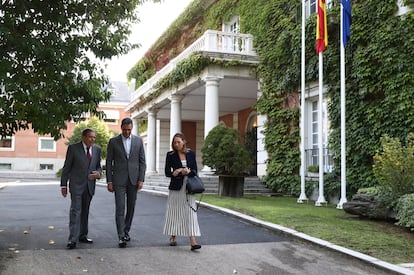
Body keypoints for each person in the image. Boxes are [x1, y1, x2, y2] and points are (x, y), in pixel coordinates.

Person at [106, 117, 146, 248]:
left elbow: (142, 162)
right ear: (121, 128)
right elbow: (108, 162)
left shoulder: (138, 141)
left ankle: (126, 230)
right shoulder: (113, 142)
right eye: (124, 130)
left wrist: (141, 179)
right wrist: (109, 181)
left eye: (129, 130)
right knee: (120, 207)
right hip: (118, 180)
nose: (127, 132)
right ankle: (121, 236)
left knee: (131, 207)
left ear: (132, 128)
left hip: (133, 180)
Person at [60, 128, 102, 249]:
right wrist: (63, 185)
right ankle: (72, 239)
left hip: (89, 186)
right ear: (83, 137)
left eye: (94, 137)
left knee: (85, 211)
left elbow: (99, 167)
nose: (92, 139)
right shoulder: (73, 148)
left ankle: (83, 235)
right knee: (75, 211)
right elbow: (66, 168)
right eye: (90, 137)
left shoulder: (97, 149)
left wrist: (98, 174)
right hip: (76, 186)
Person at [163, 132, 201, 251]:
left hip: (189, 187)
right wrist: (177, 172)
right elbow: (167, 172)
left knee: (190, 213)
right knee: (174, 212)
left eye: (178, 142)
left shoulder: (191, 154)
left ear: (184, 142)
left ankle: (193, 241)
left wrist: (188, 172)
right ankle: (173, 236)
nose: (176, 144)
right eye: (174, 142)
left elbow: (195, 171)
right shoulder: (170, 155)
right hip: (176, 187)